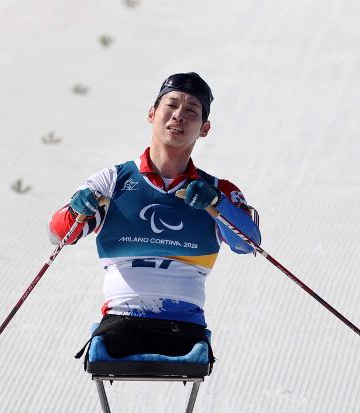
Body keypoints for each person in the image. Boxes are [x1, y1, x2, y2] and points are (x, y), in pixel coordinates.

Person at [49, 72, 261, 359]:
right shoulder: (113, 181)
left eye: (191, 111)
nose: (178, 116)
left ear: (205, 128)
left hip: (185, 327)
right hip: (120, 321)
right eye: (171, 105)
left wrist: (217, 205)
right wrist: (76, 208)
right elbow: (60, 234)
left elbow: (248, 243)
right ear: (152, 114)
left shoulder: (216, 190)